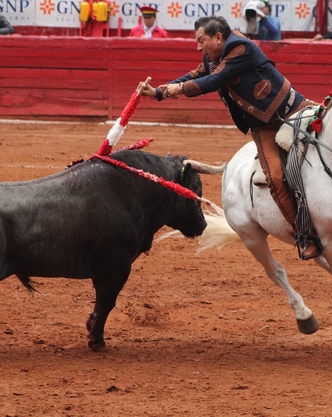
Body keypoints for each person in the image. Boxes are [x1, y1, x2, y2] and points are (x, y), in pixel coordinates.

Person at [137, 16, 321, 259]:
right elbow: (196, 75)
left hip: (294, 109)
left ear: (218, 38)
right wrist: (159, 92)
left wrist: (179, 89)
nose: (198, 47)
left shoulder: (240, 48)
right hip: (264, 127)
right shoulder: (213, 57)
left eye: (201, 41)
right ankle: (306, 234)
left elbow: (213, 81)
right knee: (275, 178)